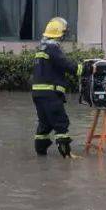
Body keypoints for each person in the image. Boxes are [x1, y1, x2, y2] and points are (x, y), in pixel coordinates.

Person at [32, 17, 76, 157]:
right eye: (63, 34)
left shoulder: (42, 48)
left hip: (39, 95)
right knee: (61, 123)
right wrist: (85, 69)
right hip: (50, 95)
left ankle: (41, 155)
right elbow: (66, 65)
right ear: (59, 34)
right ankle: (67, 156)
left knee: (45, 125)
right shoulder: (53, 48)